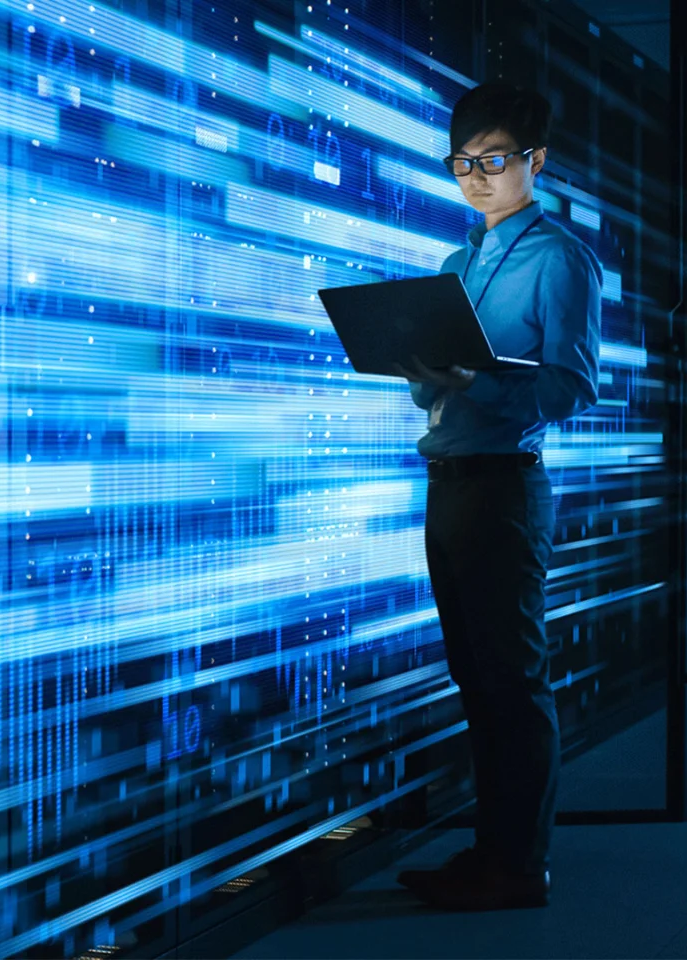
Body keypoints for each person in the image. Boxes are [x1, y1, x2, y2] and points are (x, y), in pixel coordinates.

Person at [391, 82, 601, 910]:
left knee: (512, 682)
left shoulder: (559, 258)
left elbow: (569, 388)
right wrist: (426, 376)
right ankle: (494, 852)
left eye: (494, 159)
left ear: (535, 161)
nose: (475, 176)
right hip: (448, 485)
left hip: (505, 490)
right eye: (462, 162)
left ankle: (518, 864)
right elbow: (444, 392)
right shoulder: (455, 264)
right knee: (478, 682)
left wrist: (473, 383)